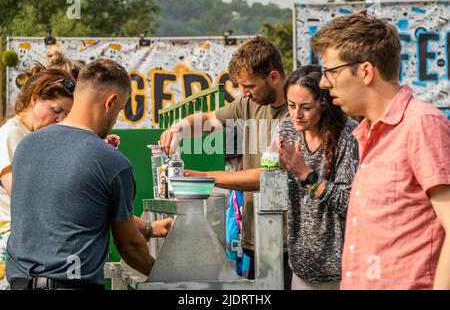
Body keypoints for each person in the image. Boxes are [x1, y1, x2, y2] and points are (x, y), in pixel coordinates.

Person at [6, 59, 172, 290]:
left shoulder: (26, 145)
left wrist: (148, 229)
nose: (116, 119)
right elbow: (130, 246)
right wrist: (170, 279)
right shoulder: (113, 162)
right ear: (111, 102)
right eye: (120, 110)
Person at [312, 12, 450, 290]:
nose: (323, 83)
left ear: (365, 71)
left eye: (331, 72)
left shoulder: (422, 124)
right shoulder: (368, 132)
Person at [159, 36, 292, 287]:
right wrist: (178, 128)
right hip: (256, 237)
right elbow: (208, 119)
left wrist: (203, 177)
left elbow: (268, 177)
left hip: (290, 241)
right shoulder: (248, 104)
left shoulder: (298, 113)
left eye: (250, 86)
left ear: (273, 77)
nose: (244, 93)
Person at [277, 65, 358, 290]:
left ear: (323, 105)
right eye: (291, 105)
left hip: (340, 270)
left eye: (306, 107)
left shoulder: (347, 134)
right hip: (301, 266)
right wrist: (274, 170)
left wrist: (306, 174)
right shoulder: (287, 129)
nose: (296, 114)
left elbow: (350, 203)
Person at [0, 68, 76, 290]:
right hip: (10, 238)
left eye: (66, 114)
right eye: (56, 110)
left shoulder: (36, 136)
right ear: (34, 99)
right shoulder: (11, 134)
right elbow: (20, 192)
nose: (60, 119)